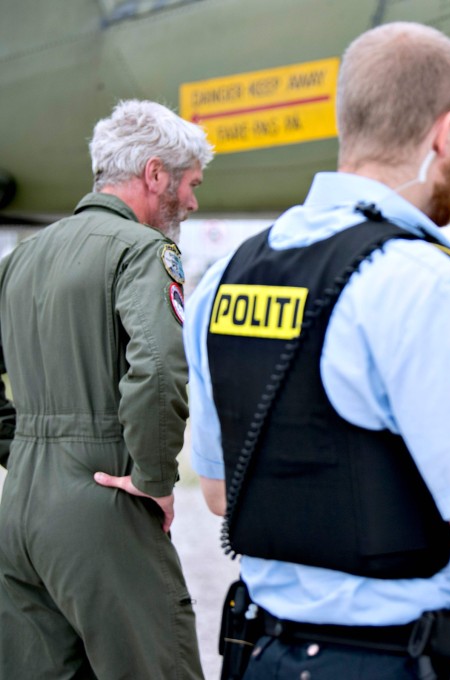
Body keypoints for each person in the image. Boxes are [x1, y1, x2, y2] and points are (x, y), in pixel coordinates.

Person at [184, 22, 450, 679]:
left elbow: (220, 491)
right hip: (395, 658)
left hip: (267, 655)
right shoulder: (425, 282)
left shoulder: (226, 276)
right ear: (446, 134)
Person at [0, 100, 212, 678]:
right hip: (102, 503)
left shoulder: (21, 259)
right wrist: (154, 478)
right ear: (154, 174)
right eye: (190, 184)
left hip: (18, 512)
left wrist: (16, 448)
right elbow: (160, 369)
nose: (192, 202)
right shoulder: (143, 251)